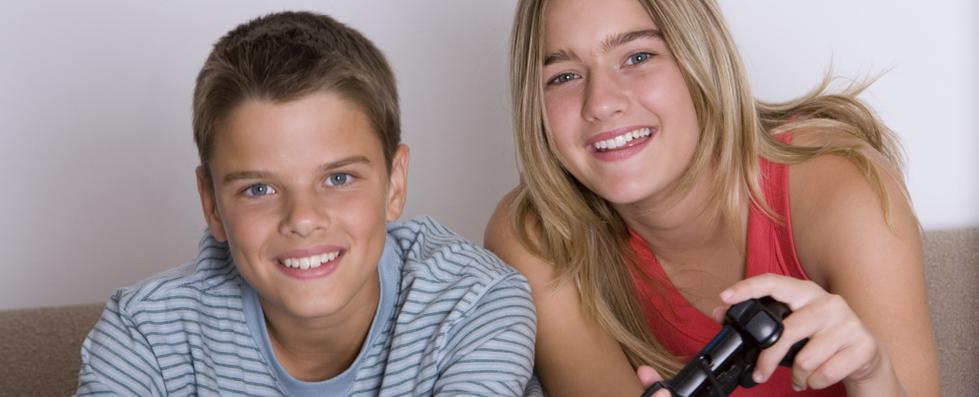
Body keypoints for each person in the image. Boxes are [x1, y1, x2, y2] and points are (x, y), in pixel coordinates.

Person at [484, 0, 939, 396]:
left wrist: (871, 376)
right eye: (563, 76)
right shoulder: (536, 237)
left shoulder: (838, 187)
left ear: (699, 58)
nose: (600, 102)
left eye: (638, 56)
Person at [77, 11, 538, 396]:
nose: (302, 219)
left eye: (338, 178)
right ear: (212, 204)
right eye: (259, 189)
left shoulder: (475, 304)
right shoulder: (145, 337)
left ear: (395, 184)